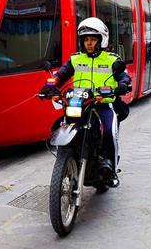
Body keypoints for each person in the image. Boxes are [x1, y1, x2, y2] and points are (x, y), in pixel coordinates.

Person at [40, 17, 132, 187]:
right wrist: (49, 86)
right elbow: (60, 75)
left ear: (101, 40)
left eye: (93, 39)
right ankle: (67, 160)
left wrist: (123, 85)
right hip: (79, 105)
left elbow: (124, 77)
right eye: (86, 40)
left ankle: (111, 172)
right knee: (57, 127)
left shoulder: (112, 59)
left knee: (109, 134)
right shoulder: (75, 59)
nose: (89, 43)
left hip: (102, 105)